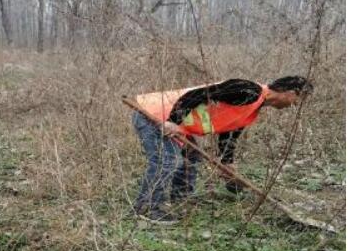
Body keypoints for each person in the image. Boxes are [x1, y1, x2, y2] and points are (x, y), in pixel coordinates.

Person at [132, 76, 313, 225]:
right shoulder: (248, 90)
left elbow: (229, 132)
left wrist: (227, 163)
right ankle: (146, 208)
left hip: (173, 120)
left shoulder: (254, 106)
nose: (295, 105)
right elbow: (198, 94)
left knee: (192, 156)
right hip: (155, 114)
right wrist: (173, 120)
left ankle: (181, 197)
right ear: (291, 93)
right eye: (299, 100)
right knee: (167, 160)